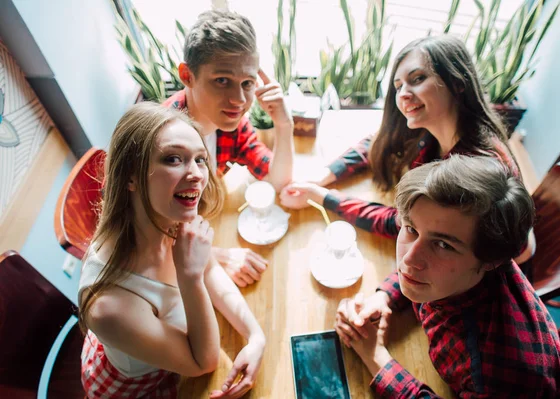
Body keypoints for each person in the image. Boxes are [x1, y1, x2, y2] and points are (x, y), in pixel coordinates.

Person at [279, 35, 534, 264]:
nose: (403, 94)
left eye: (418, 79)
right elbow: (379, 141)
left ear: (457, 83)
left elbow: (401, 224)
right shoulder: (434, 122)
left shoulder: (472, 170)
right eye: (398, 85)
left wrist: (322, 196)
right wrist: (326, 174)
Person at [334, 155, 560, 398]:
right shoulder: (466, 266)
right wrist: (383, 297)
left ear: (491, 261)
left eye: (443, 245)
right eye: (411, 229)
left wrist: (376, 356)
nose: (408, 260)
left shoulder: (495, 374)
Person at [79, 103, 265, 399]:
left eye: (200, 159)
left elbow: (210, 269)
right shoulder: (108, 307)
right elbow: (202, 362)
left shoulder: (169, 214)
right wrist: (190, 277)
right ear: (130, 176)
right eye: (173, 159)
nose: (196, 175)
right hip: (136, 388)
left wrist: (255, 336)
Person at [164, 10, 295, 287]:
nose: (238, 100)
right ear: (187, 75)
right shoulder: (160, 144)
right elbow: (146, 235)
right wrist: (216, 257)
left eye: (247, 83)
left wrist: (284, 125)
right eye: (222, 80)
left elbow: (278, 181)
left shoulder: (229, 125)